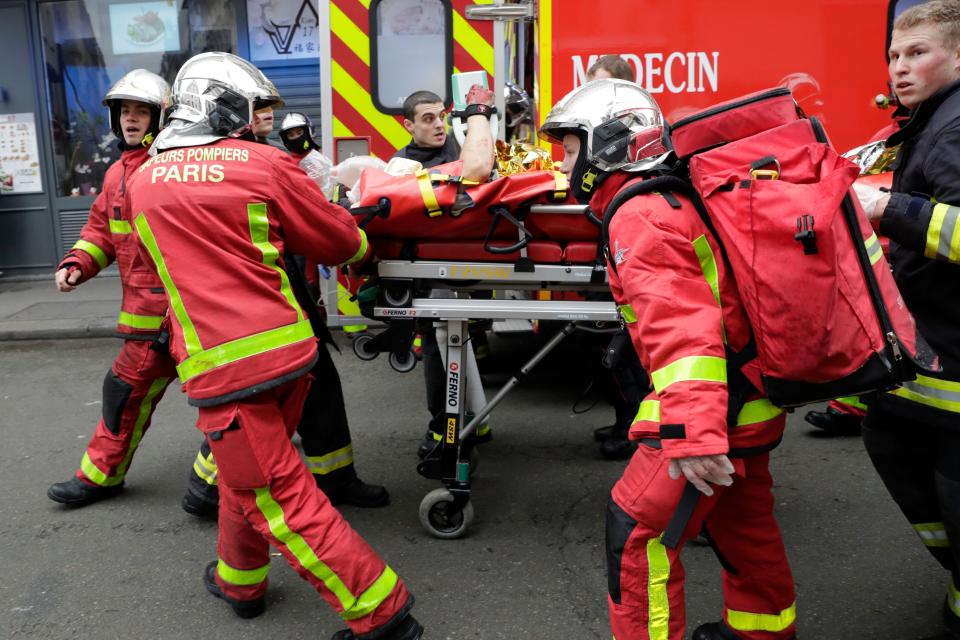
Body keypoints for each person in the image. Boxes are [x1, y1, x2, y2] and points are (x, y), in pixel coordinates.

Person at [130, 52, 420, 639]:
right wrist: (363, 241)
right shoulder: (264, 164)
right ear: (227, 108)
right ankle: (241, 581)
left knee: (274, 492)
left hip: (223, 365)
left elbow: (154, 274)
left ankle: (384, 617)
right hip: (289, 354)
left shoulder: (142, 181)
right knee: (253, 481)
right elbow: (338, 241)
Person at [541, 79, 796, 640]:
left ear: (608, 144)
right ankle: (763, 633)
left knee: (637, 537)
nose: (563, 162)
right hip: (748, 402)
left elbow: (684, 331)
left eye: (568, 146)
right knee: (743, 527)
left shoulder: (640, 216)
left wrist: (694, 435)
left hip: (711, 413)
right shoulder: (669, 194)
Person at [181, 110, 388, 516]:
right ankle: (205, 488)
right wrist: (357, 244)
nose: (266, 117)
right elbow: (314, 229)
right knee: (253, 403)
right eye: (257, 110)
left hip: (277, 298)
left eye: (268, 111)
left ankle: (335, 477)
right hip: (257, 309)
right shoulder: (257, 164)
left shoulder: (223, 161)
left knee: (316, 385)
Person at [851, 3, 960, 638]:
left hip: (955, 354)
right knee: (890, 439)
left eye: (917, 53)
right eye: (895, 55)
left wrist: (887, 208)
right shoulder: (931, 120)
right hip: (933, 351)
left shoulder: (952, 130)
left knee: (952, 489)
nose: (899, 67)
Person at [47, 69, 178, 507]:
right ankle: (100, 476)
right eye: (125, 111)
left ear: (162, 117)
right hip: (147, 321)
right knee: (123, 393)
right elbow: (100, 231)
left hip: (194, 316)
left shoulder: (176, 166)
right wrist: (77, 263)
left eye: (142, 111)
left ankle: (220, 484)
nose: (131, 119)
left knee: (235, 404)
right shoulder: (116, 174)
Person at [390, 88, 497, 458]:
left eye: (441, 116)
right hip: (428, 273)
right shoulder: (401, 165)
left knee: (458, 345)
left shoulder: (463, 150)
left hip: (471, 267)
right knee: (439, 349)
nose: (438, 124)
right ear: (408, 125)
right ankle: (443, 427)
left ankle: (468, 424)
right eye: (427, 118)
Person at [581, 54, 650, 460]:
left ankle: (634, 429)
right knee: (607, 346)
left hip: (627, 250)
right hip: (606, 249)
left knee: (627, 346)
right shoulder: (604, 130)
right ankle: (624, 418)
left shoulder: (636, 131)